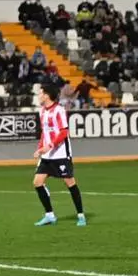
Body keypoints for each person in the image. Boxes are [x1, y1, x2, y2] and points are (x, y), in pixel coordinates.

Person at [33, 83, 86, 226]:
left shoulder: (59, 110)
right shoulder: (42, 111)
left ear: (46, 95)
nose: (38, 96)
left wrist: (49, 146)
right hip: (47, 155)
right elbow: (44, 132)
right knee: (37, 182)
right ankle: (49, 215)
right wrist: (40, 148)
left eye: (40, 93)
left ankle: (81, 215)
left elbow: (64, 132)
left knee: (70, 183)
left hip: (61, 153)